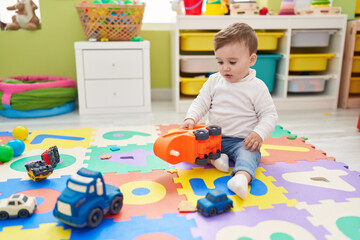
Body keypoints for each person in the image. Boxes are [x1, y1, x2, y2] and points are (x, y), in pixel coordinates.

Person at [179, 22, 278, 199]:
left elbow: (269, 115)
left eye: (232, 62)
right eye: (220, 61)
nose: (225, 67)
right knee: (190, 145)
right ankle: (215, 158)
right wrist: (191, 118)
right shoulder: (214, 81)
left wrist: (258, 133)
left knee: (250, 155)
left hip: (242, 141)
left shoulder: (257, 87)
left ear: (251, 60)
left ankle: (241, 178)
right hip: (214, 137)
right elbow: (201, 102)